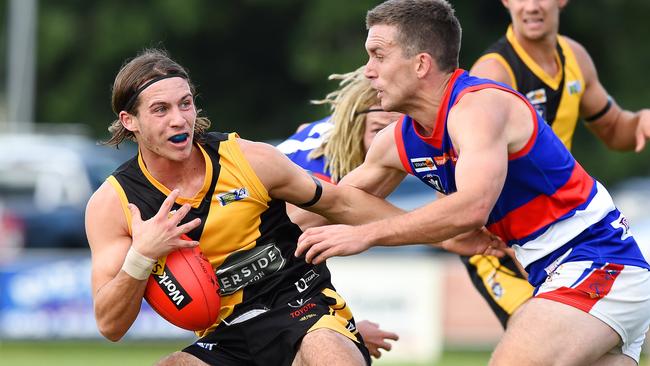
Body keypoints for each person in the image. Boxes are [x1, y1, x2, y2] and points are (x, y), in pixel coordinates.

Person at [294, 1, 650, 365]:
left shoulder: (477, 107)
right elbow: (339, 201)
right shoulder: (400, 139)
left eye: (378, 55)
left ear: (420, 64)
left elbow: (472, 206)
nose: (368, 71)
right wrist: (256, 203)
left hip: (599, 262)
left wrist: (369, 234)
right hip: (556, 272)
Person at [85, 48, 406, 366]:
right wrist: (141, 256)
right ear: (130, 121)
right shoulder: (112, 205)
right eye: (160, 110)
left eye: (185, 104)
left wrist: (434, 227)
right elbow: (111, 326)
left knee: (327, 351)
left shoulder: (249, 159)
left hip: (304, 308)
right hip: (225, 337)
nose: (179, 119)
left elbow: (342, 202)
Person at [460, 0, 650, 329]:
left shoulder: (575, 57)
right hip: (502, 244)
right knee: (545, 341)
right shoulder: (494, 73)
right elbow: (470, 180)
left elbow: (614, 129)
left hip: (562, 230)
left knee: (589, 341)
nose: (531, 7)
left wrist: (639, 122)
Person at [277, 66, 403, 358]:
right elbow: (282, 263)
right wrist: (350, 329)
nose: (387, 141)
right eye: (378, 130)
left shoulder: (337, 133)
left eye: (394, 131)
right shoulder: (320, 182)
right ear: (354, 124)